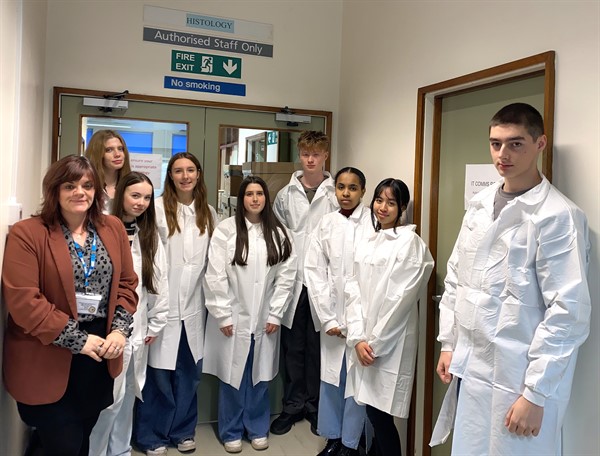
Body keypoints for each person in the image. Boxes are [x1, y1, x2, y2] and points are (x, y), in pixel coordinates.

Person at [432, 103, 591, 455]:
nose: (503, 154)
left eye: (515, 143)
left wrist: (535, 393)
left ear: (540, 144)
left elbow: (568, 312)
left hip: (520, 381)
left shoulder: (557, 217)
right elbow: (458, 279)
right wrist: (449, 343)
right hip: (471, 369)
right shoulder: (479, 205)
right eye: (495, 143)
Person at [2, 155, 138, 456]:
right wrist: (79, 340)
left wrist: (119, 331)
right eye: (70, 185)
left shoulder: (112, 227)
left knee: (81, 436)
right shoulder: (29, 233)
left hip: (99, 354)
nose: (80, 192)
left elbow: (127, 284)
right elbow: (24, 301)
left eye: (88, 185)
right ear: (54, 190)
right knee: (60, 441)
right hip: (47, 353)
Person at [203, 176, 297, 454]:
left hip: (265, 317)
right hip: (232, 315)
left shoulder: (280, 233)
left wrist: (276, 313)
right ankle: (231, 430)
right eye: (249, 194)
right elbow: (214, 275)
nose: (255, 199)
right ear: (241, 198)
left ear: (266, 198)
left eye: (259, 194)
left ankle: (257, 427)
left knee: (260, 375)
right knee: (233, 375)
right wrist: (222, 314)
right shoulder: (225, 230)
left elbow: (287, 277)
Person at [134, 152, 216, 456]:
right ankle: (151, 434)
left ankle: (183, 431)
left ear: (198, 174)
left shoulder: (207, 213)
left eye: (190, 170)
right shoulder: (154, 210)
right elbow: (149, 261)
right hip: (161, 307)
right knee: (158, 376)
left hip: (195, 309)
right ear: (170, 176)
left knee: (188, 374)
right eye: (178, 171)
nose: (185, 176)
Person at [345, 178, 434, 456]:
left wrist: (374, 344)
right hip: (364, 341)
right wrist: (358, 338)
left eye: (391, 202)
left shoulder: (410, 243)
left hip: (388, 345)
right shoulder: (368, 240)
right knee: (372, 411)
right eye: (379, 200)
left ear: (402, 207)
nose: (383, 208)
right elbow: (353, 289)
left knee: (381, 416)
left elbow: (400, 301)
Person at [89, 172, 169, 456]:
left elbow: (159, 281)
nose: (141, 203)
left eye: (147, 197)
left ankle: (120, 451)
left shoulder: (149, 235)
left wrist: (156, 323)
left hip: (139, 328)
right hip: (108, 331)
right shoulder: (100, 230)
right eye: (135, 195)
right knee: (108, 401)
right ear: (120, 194)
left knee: (128, 399)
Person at [271, 131, 339, 435]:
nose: (310, 159)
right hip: (292, 280)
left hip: (322, 281)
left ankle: (314, 406)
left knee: (318, 348)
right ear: (300, 155)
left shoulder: (335, 194)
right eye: (306, 154)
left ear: (325, 155)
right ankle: (292, 406)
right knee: (292, 347)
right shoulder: (286, 195)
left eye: (316, 154)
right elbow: (277, 237)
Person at [304, 167, 374, 456]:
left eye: (353, 188)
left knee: (358, 383)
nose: (346, 194)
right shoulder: (326, 223)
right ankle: (333, 438)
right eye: (341, 187)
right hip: (332, 316)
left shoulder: (373, 222)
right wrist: (327, 317)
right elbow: (314, 271)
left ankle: (352, 442)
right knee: (332, 379)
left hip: (363, 318)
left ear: (363, 191)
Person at [85, 129, 132, 213]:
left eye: (120, 149)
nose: (117, 154)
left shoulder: (130, 185)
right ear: (97, 154)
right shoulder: (86, 186)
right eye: (109, 150)